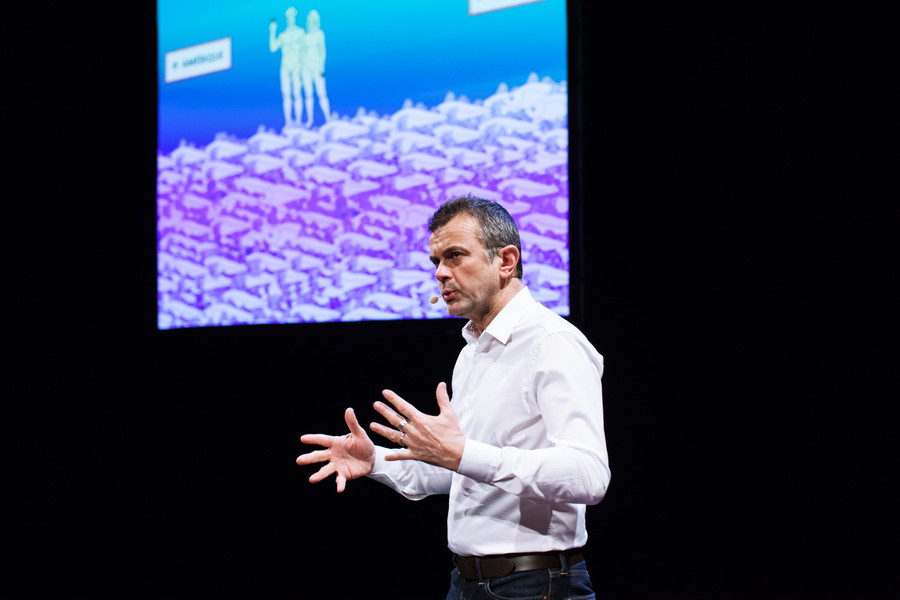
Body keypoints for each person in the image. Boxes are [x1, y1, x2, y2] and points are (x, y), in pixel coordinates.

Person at [297, 195, 610, 599]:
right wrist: (375, 460)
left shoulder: (553, 342)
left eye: (455, 256)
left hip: (537, 583)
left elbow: (589, 475)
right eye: (436, 261)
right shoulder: (471, 353)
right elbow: (459, 469)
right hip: (467, 583)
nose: (441, 273)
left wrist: (464, 454)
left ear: (506, 261)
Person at [269, 7, 305, 127]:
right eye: (288, 16)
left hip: (297, 66)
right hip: (285, 67)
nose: (290, 18)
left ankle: (298, 121)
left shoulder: (300, 32)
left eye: (292, 16)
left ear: (295, 17)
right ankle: (288, 122)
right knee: (286, 95)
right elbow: (273, 47)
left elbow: (305, 51)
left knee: (297, 94)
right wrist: (272, 30)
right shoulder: (283, 35)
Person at [300, 9, 331, 126]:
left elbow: (323, 50)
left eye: (312, 20)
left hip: (317, 66)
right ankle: (310, 119)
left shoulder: (319, 34)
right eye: (308, 20)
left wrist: (321, 66)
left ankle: (327, 117)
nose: (310, 23)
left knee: (322, 92)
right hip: (306, 67)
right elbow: (302, 53)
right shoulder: (304, 36)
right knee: (308, 94)